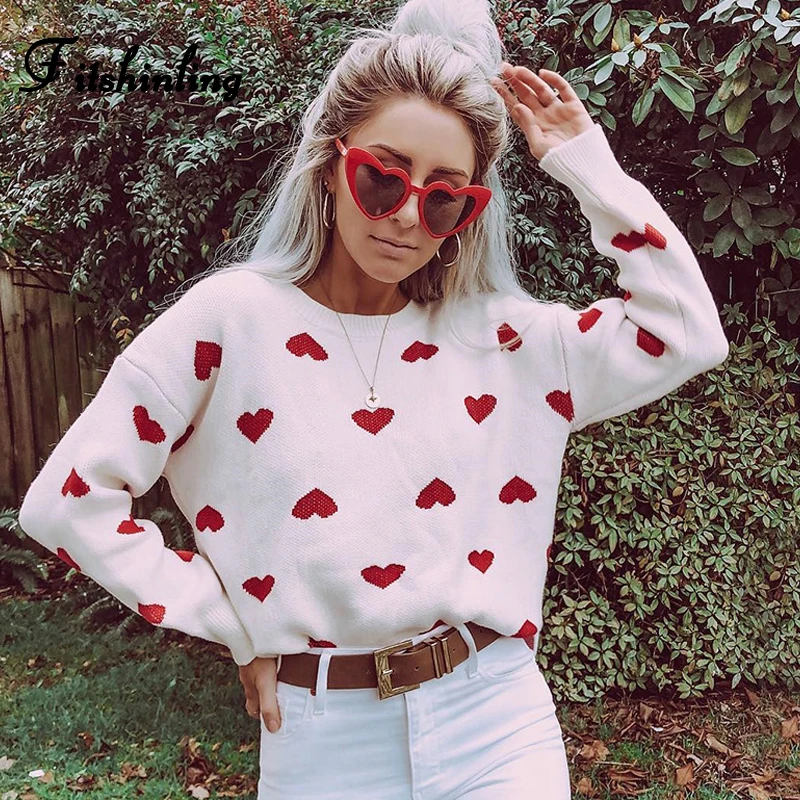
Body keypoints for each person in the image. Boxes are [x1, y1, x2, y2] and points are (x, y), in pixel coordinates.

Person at [17, 0, 730, 797]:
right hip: (322, 737)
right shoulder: (228, 323)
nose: (407, 218)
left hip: (496, 719)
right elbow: (66, 503)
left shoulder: (508, 342)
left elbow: (686, 333)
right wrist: (227, 619)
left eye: (444, 197)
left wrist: (583, 162)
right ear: (331, 164)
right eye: (381, 179)